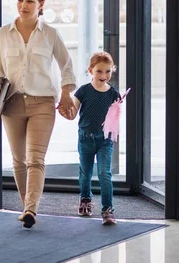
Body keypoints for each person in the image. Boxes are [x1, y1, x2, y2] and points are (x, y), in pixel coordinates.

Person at [0, 0, 77, 229]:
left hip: (43, 105)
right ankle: (25, 205)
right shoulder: (3, 34)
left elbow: (67, 66)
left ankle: (30, 209)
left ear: (41, 5)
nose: (23, 6)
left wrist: (67, 92)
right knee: (18, 160)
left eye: (29, 1)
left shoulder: (49, 34)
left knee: (35, 159)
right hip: (12, 104)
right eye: (20, 0)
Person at [61, 51, 120, 225]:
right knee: (85, 172)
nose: (104, 75)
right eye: (99, 71)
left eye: (108, 71)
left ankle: (107, 210)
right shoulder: (83, 91)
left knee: (104, 173)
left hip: (105, 140)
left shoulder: (113, 94)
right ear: (91, 70)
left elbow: (114, 120)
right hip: (86, 138)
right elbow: (72, 114)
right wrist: (65, 112)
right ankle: (85, 199)